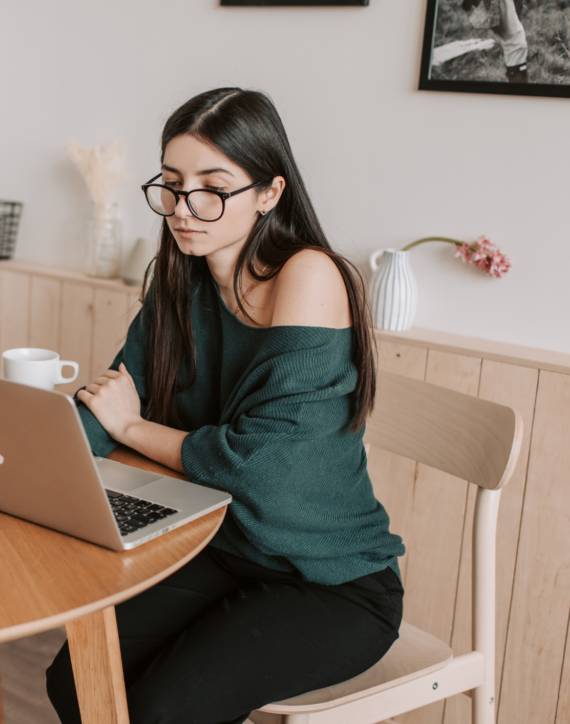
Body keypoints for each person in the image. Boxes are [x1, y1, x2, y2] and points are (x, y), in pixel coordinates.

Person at [44, 88, 406, 724]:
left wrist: (133, 427)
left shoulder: (309, 274)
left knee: (161, 709)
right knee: (77, 681)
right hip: (220, 548)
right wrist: (23, 456)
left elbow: (259, 467)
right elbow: (108, 407)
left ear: (269, 193)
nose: (183, 209)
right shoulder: (178, 279)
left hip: (328, 579)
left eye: (212, 188)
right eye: (171, 185)